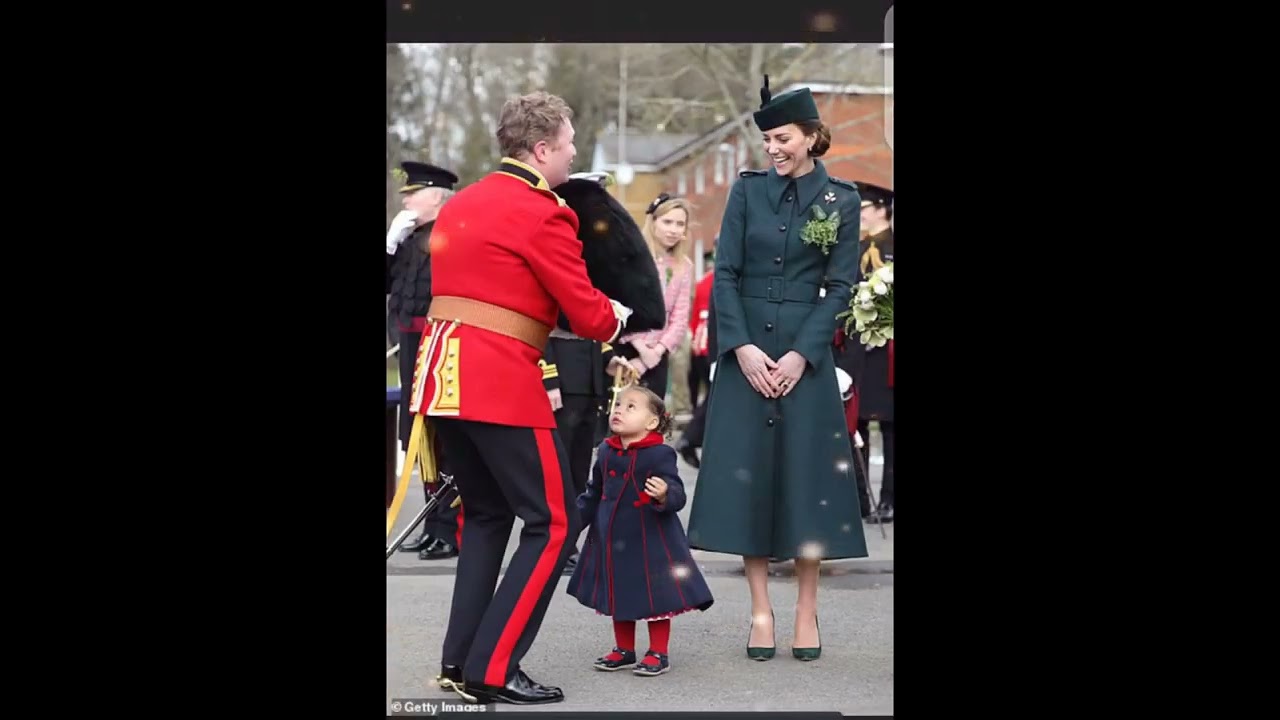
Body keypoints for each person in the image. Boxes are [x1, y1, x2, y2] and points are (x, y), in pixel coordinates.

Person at [409, 91, 635, 705]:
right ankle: (494, 665)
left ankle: (460, 663)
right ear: (542, 150)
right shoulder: (544, 211)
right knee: (553, 522)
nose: (573, 156)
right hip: (500, 380)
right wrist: (615, 317)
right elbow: (585, 310)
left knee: (485, 517)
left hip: (445, 375)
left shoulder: (462, 203)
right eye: (567, 146)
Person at [686, 78, 869, 662]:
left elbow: (841, 285)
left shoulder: (841, 200)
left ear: (813, 137)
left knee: (807, 485)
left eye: (783, 138)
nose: (773, 149)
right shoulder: (745, 194)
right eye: (767, 139)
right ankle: (761, 611)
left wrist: (800, 354)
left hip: (805, 357)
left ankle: (806, 611)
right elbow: (728, 275)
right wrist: (738, 348)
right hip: (746, 356)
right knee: (750, 482)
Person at [566, 385, 714, 677]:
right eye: (618, 404)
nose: (619, 409)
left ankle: (658, 651)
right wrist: (571, 526)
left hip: (650, 540)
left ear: (652, 423)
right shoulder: (607, 450)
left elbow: (678, 494)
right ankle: (624, 649)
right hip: (611, 537)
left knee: (655, 596)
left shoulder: (659, 454)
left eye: (631, 406)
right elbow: (593, 494)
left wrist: (664, 494)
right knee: (618, 591)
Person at [385, 160, 463, 560]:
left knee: (442, 435)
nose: (406, 200)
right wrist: (388, 245)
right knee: (419, 438)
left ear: (435, 197)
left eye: (413, 193)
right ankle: (432, 526)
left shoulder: (452, 235)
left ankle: (450, 528)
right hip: (411, 342)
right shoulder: (408, 237)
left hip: (441, 343)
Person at [615, 194, 695, 400]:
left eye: (680, 224)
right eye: (667, 222)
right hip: (626, 349)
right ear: (653, 222)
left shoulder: (684, 266)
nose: (674, 230)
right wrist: (641, 350)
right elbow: (620, 306)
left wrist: (657, 352)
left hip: (658, 355)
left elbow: (679, 317)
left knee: (651, 415)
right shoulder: (630, 258)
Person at [853, 181, 894, 523]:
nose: (861, 215)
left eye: (865, 208)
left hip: (888, 348)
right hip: (859, 347)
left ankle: (889, 498)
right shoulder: (856, 249)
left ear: (882, 208)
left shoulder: (891, 244)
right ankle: (860, 497)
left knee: (891, 425)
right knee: (858, 422)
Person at [675, 253, 715, 467]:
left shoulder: (704, 282)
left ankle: (695, 437)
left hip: (699, 345)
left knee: (711, 395)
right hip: (711, 344)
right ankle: (691, 437)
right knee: (714, 396)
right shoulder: (723, 281)